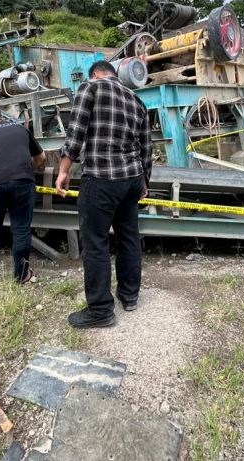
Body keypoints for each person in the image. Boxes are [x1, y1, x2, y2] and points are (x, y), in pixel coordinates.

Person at [55, 60, 152, 329]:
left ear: (95, 74)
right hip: (132, 179)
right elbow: (147, 147)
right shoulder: (136, 100)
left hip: (101, 177)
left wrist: (64, 171)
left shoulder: (91, 88)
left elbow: (75, 135)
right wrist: (145, 180)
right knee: (129, 236)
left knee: (96, 242)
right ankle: (129, 296)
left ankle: (100, 310)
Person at [0, 112, 46, 283]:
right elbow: (41, 157)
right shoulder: (20, 128)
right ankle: (22, 275)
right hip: (22, 181)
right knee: (20, 228)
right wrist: (27, 170)